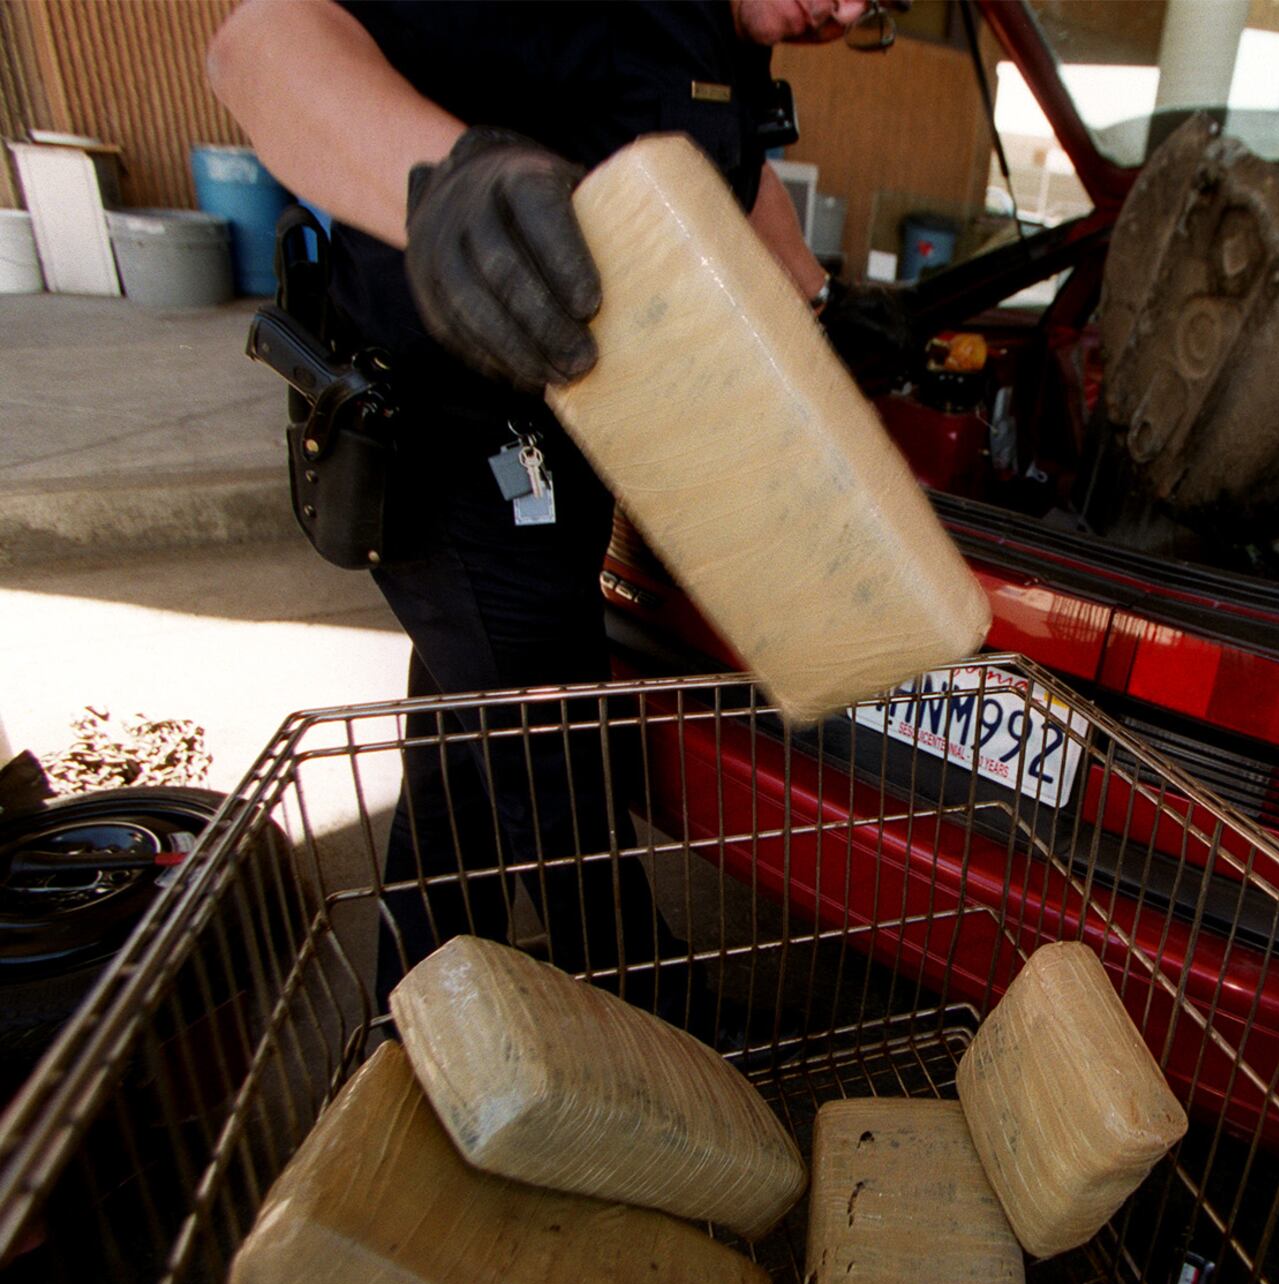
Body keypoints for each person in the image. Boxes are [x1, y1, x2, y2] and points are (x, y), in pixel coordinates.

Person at [207, 0, 906, 1004]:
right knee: (552, 742)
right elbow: (259, 47)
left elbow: (722, 172)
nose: (845, 11)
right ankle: (654, 1017)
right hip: (445, 427)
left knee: (468, 729)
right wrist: (451, 179)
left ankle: (418, 1003)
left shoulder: (731, 32)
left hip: (569, 432)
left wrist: (818, 305)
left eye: (877, 4)